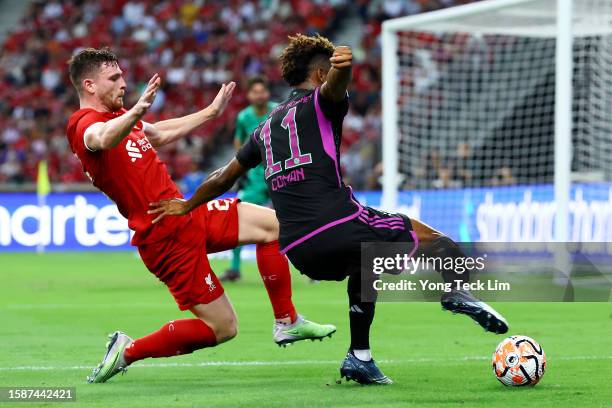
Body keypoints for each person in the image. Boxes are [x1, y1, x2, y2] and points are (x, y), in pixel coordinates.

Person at [148, 34, 509, 385]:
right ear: (321, 73)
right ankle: (457, 291)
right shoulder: (322, 101)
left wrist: (187, 204)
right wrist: (344, 67)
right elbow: (335, 87)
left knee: (367, 264)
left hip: (298, 249)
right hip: (338, 223)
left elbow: (223, 176)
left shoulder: (262, 129)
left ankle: (360, 357)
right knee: (440, 243)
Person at [65, 47, 336, 384]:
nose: (123, 83)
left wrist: (209, 112)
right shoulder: (86, 125)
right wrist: (135, 111)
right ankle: (128, 350)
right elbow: (102, 138)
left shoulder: (121, 120)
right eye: (115, 78)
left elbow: (160, 133)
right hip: (163, 237)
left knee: (274, 226)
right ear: (90, 86)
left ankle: (287, 321)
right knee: (224, 328)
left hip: (186, 211)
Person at [221, 76, 277, 282]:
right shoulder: (244, 117)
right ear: (249, 95)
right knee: (238, 219)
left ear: (268, 93)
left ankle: (312, 267)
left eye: (262, 91)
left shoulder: (279, 110)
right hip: (254, 177)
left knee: (296, 219)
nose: (259, 95)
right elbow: (238, 142)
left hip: (279, 173)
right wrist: (241, 170)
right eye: (255, 91)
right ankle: (234, 269)